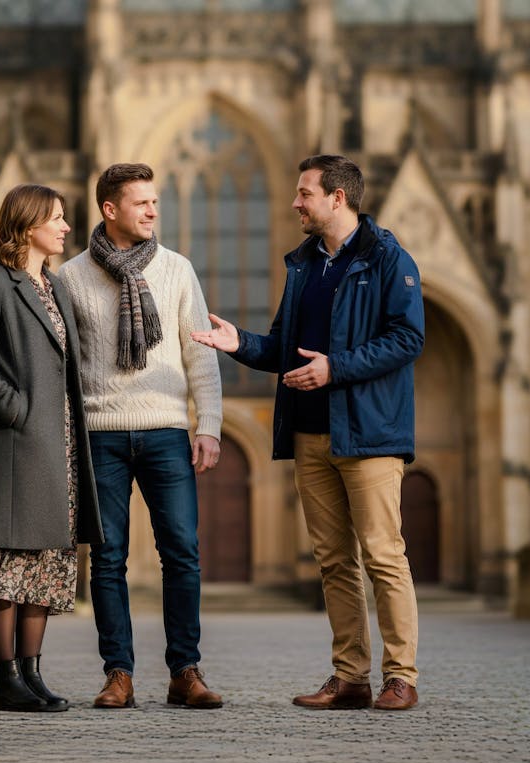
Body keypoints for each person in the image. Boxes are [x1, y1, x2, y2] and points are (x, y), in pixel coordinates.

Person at [191, 154, 425, 711]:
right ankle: (350, 676)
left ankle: (401, 676)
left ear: (337, 198)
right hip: (310, 433)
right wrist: (239, 344)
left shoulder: (389, 258)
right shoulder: (303, 266)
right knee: (333, 560)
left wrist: (334, 368)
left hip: (369, 434)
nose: (295, 202)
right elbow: (282, 347)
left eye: (305, 193)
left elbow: (408, 338)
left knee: (383, 556)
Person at [55, 163, 224, 709]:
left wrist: (210, 426)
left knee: (182, 553)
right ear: (110, 209)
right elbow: (68, 368)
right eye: (142, 203)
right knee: (107, 560)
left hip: (167, 432)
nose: (154, 210)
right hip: (101, 435)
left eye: (155, 202)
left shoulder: (177, 270)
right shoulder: (71, 277)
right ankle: (118, 674)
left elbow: (200, 353)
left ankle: (185, 671)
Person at [0, 183, 104, 713]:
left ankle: (33, 674)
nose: (65, 227)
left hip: (56, 441)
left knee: (42, 561)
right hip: (12, 439)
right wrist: (15, 407)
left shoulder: (56, 288)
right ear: (28, 224)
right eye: (56, 218)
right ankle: (5, 678)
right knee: (8, 559)